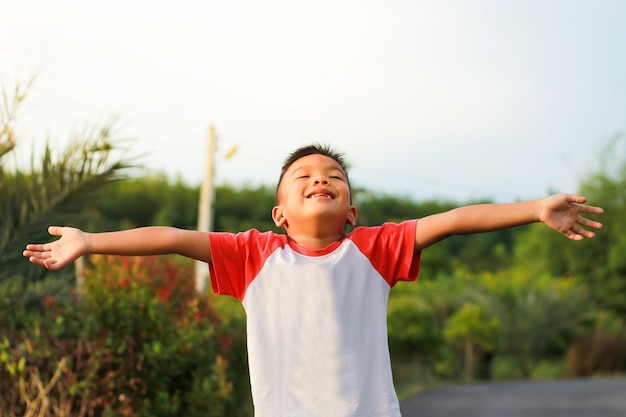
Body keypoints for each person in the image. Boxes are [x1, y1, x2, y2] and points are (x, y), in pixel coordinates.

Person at [24, 144, 604, 417]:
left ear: (352, 211)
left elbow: (452, 221)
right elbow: (173, 237)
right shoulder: (253, 256)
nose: (319, 179)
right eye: (302, 176)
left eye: (333, 177)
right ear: (279, 213)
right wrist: (91, 241)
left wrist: (533, 209)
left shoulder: (374, 248)